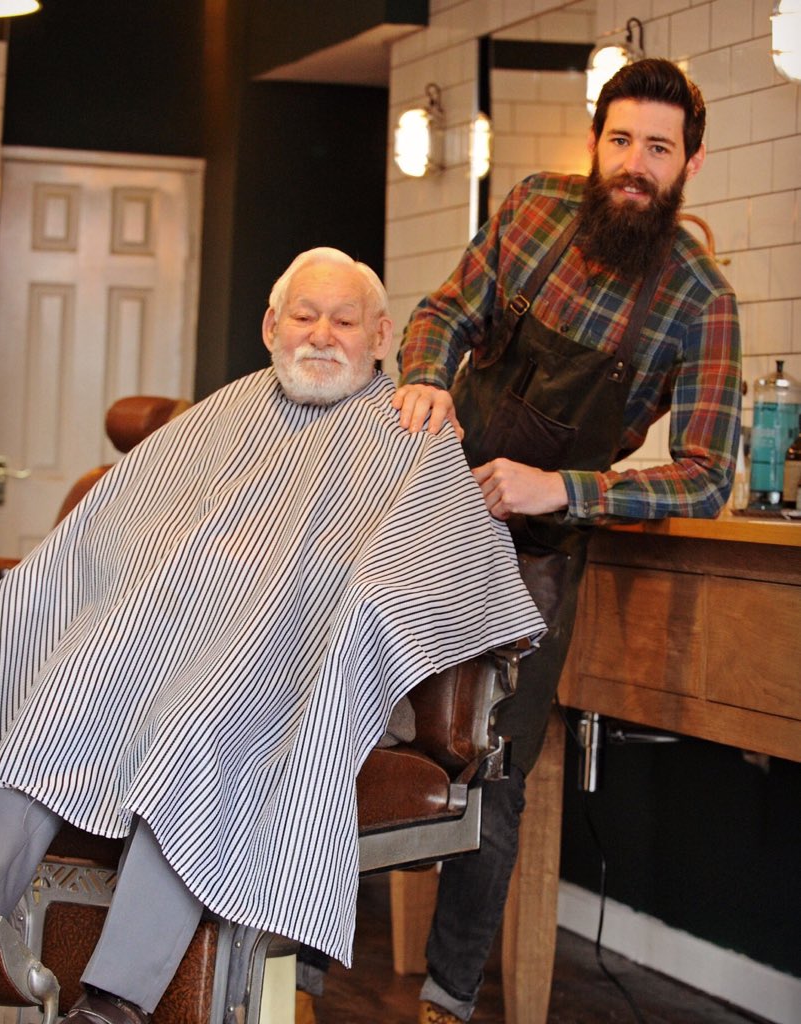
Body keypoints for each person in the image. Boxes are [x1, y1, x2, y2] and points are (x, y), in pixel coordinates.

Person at [0, 248, 545, 1024]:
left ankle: (116, 1000)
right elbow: (109, 531)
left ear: (381, 335)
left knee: (195, 727)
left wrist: (345, 621)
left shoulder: (414, 431)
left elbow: (444, 566)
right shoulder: (223, 412)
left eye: (344, 321)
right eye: (303, 316)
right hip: (165, 642)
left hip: (291, 665)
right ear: (270, 327)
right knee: (63, 690)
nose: (321, 335)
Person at [392, 58, 742, 1024]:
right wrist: (425, 376)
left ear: (690, 165)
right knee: (337, 716)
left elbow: (708, 473)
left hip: (539, 554)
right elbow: (443, 312)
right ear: (597, 143)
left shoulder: (701, 301)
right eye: (622, 140)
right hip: (432, 506)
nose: (635, 164)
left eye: (658, 150)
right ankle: (282, 938)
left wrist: (564, 487)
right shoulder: (535, 208)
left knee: (492, 773)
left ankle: (445, 999)